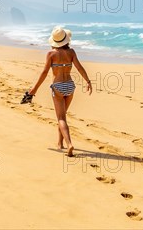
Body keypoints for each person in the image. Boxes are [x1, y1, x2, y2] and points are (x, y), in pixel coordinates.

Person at [23, 26, 92, 157]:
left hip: (58, 87)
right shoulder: (71, 52)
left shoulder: (51, 54)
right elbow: (79, 67)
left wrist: (34, 90)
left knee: (61, 118)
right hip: (70, 86)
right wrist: (88, 81)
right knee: (63, 116)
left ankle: (69, 144)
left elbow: (44, 73)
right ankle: (60, 143)